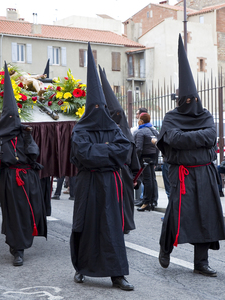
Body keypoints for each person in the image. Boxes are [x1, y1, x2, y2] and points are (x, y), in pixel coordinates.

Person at [155, 35, 225, 277]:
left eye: (193, 99)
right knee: (176, 213)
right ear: (179, 101)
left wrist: (186, 138)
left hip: (205, 171)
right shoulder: (170, 117)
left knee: (205, 214)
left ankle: (201, 262)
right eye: (186, 100)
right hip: (181, 173)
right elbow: (172, 138)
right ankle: (165, 248)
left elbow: (210, 136)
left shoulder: (205, 114)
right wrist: (194, 138)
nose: (190, 103)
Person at [70, 43, 133, 291]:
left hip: (109, 183)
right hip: (88, 184)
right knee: (85, 226)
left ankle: (117, 275)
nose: (98, 111)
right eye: (93, 108)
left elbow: (124, 150)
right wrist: (108, 151)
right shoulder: (80, 129)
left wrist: (101, 152)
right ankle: (81, 268)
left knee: (111, 228)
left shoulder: (114, 128)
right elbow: (83, 154)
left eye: (101, 108)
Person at [0, 63, 47, 267]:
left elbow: (34, 155)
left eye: (15, 118)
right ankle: (17, 249)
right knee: (15, 215)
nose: (13, 122)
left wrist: (28, 139)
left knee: (30, 212)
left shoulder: (24, 133)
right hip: (10, 180)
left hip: (29, 179)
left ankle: (24, 242)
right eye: (9, 119)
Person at [99, 65, 141, 234]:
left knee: (125, 199)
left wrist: (135, 175)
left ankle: (125, 225)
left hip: (123, 172)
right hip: (108, 171)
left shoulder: (125, 132)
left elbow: (133, 155)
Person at [134, 112, 159, 211]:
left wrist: (136, 160)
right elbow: (158, 147)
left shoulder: (140, 132)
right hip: (152, 158)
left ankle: (146, 202)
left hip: (143, 159)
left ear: (141, 121)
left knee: (147, 180)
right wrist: (156, 161)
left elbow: (139, 148)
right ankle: (152, 201)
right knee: (152, 180)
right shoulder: (154, 131)